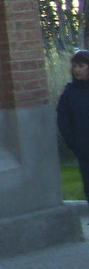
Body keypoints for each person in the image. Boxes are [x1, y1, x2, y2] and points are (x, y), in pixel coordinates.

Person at [56, 49, 89, 201]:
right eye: (74, 66)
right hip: (84, 148)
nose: (77, 70)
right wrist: (73, 144)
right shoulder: (69, 93)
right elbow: (63, 121)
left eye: (81, 66)